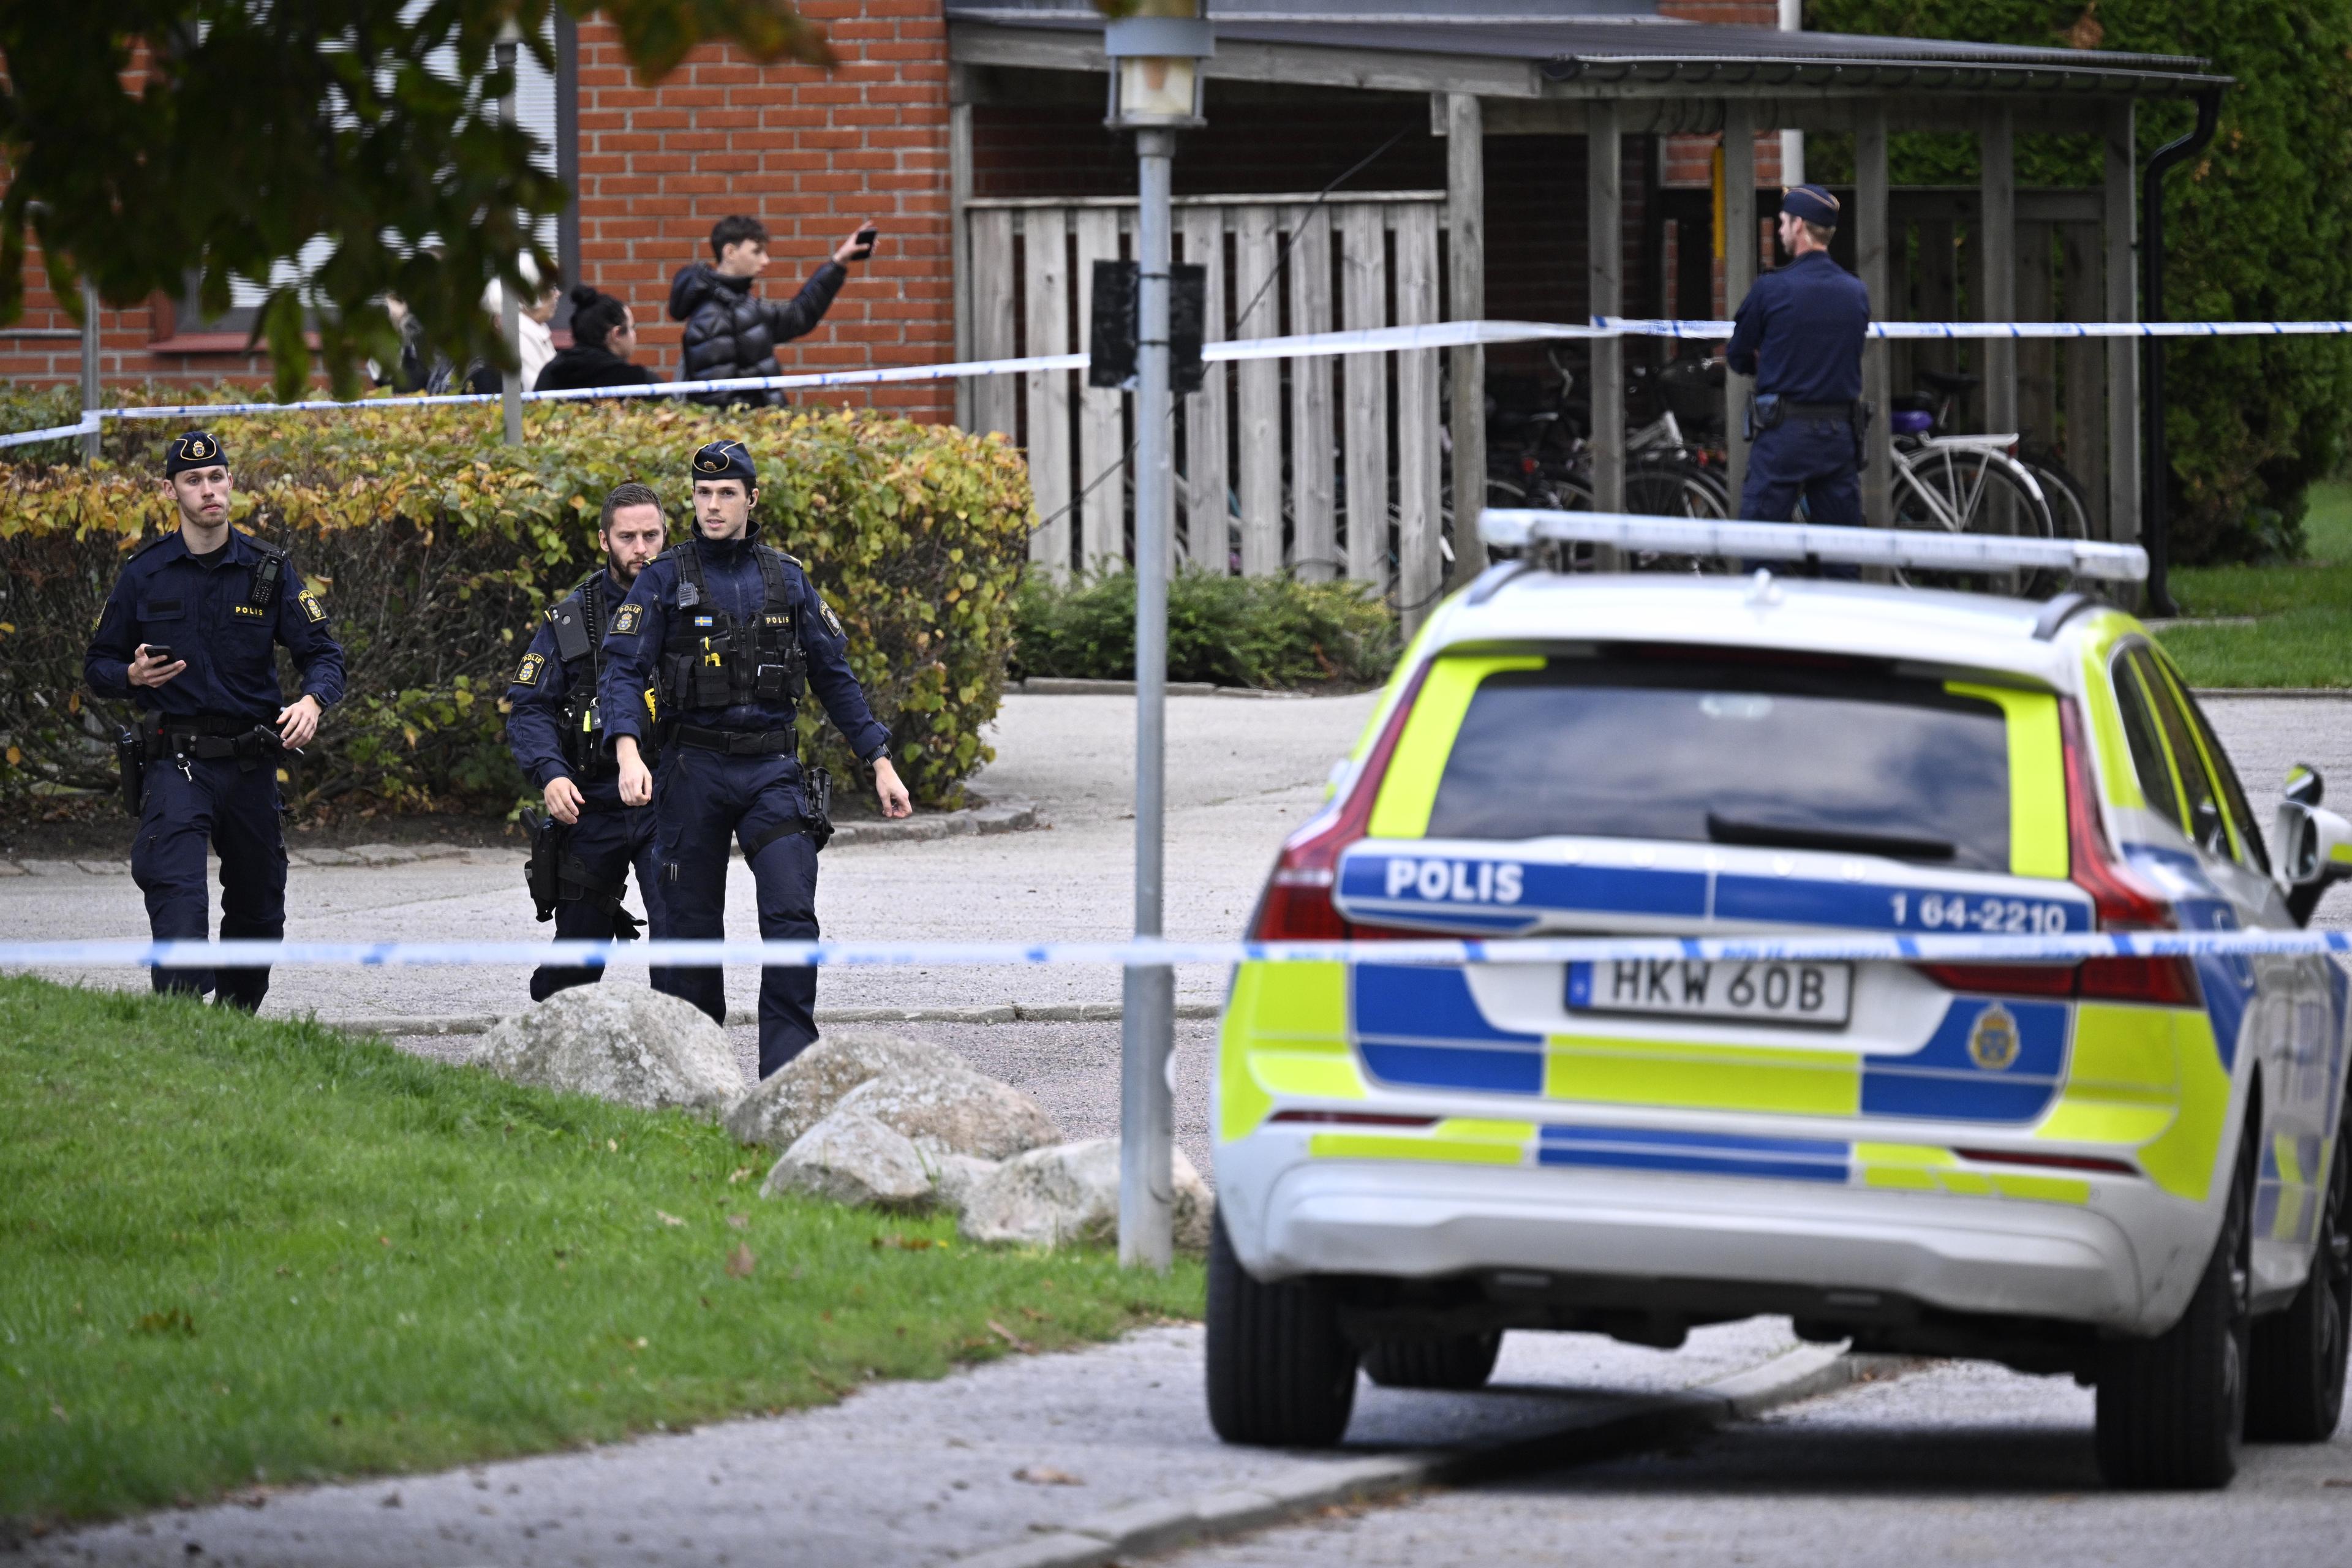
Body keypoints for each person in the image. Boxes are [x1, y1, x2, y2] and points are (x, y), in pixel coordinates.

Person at [598, 439, 912, 1075]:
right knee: (688, 932)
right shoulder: (665, 577)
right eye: (702, 494)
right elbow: (623, 670)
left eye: (726, 494)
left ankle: (787, 1078)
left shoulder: (785, 577)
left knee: (793, 919)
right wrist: (629, 754)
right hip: (692, 772)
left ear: (751, 499)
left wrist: (878, 759)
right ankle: (697, 1074)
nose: (712, 506)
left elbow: (835, 675)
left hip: (772, 771)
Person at [83, 430, 346, 1010]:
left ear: (231, 483)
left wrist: (312, 702)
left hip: (252, 762)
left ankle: (233, 1023)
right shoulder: (145, 574)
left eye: (217, 477)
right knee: (177, 896)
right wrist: (128, 678)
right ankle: (181, 1030)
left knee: (259, 905)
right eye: (193, 480)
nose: (209, 490)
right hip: (177, 762)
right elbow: (97, 665)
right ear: (171, 491)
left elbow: (323, 652)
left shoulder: (268, 570)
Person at [505, 482, 671, 1000]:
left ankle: (683, 1060)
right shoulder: (574, 621)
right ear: (604, 540)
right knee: (577, 956)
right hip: (593, 801)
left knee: (680, 941)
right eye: (628, 537)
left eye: (651, 535)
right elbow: (529, 707)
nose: (641, 548)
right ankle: (546, 1057)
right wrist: (551, 773)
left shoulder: (688, 606)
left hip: (671, 797)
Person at [1726, 184, 1872, 529]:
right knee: (1841, 554)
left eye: (1782, 222)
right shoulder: (1856, 292)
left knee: (1762, 548)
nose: (1779, 230)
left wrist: (1763, 364)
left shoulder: (1772, 288)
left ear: (1799, 225)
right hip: (1840, 436)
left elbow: (1737, 355)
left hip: (1784, 437)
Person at [668, 214, 877, 407]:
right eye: (757, 251)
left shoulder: (738, 303)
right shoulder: (712, 316)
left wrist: (839, 261)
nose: (766, 260)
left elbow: (798, 316)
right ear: (730, 252)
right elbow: (718, 402)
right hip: (746, 441)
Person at [535, 285, 658, 394]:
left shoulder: (550, 374)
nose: (634, 335)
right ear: (617, 334)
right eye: (632, 328)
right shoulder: (639, 383)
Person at [471, 256, 562, 394]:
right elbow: (536, 391)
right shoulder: (517, 335)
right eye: (551, 287)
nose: (557, 294)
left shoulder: (535, 331)